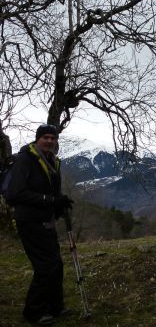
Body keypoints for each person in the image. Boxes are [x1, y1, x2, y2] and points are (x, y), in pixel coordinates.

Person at [7, 124, 73, 325]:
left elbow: (51, 191)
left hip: (46, 220)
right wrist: (52, 201)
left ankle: (55, 306)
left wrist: (59, 203)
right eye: (45, 137)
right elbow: (17, 193)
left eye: (53, 138)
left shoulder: (52, 161)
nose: (50, 141)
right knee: (46, 266)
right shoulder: (25, 160)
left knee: (56, 264)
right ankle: (33, 312)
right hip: (29, 221)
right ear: (37, 139)